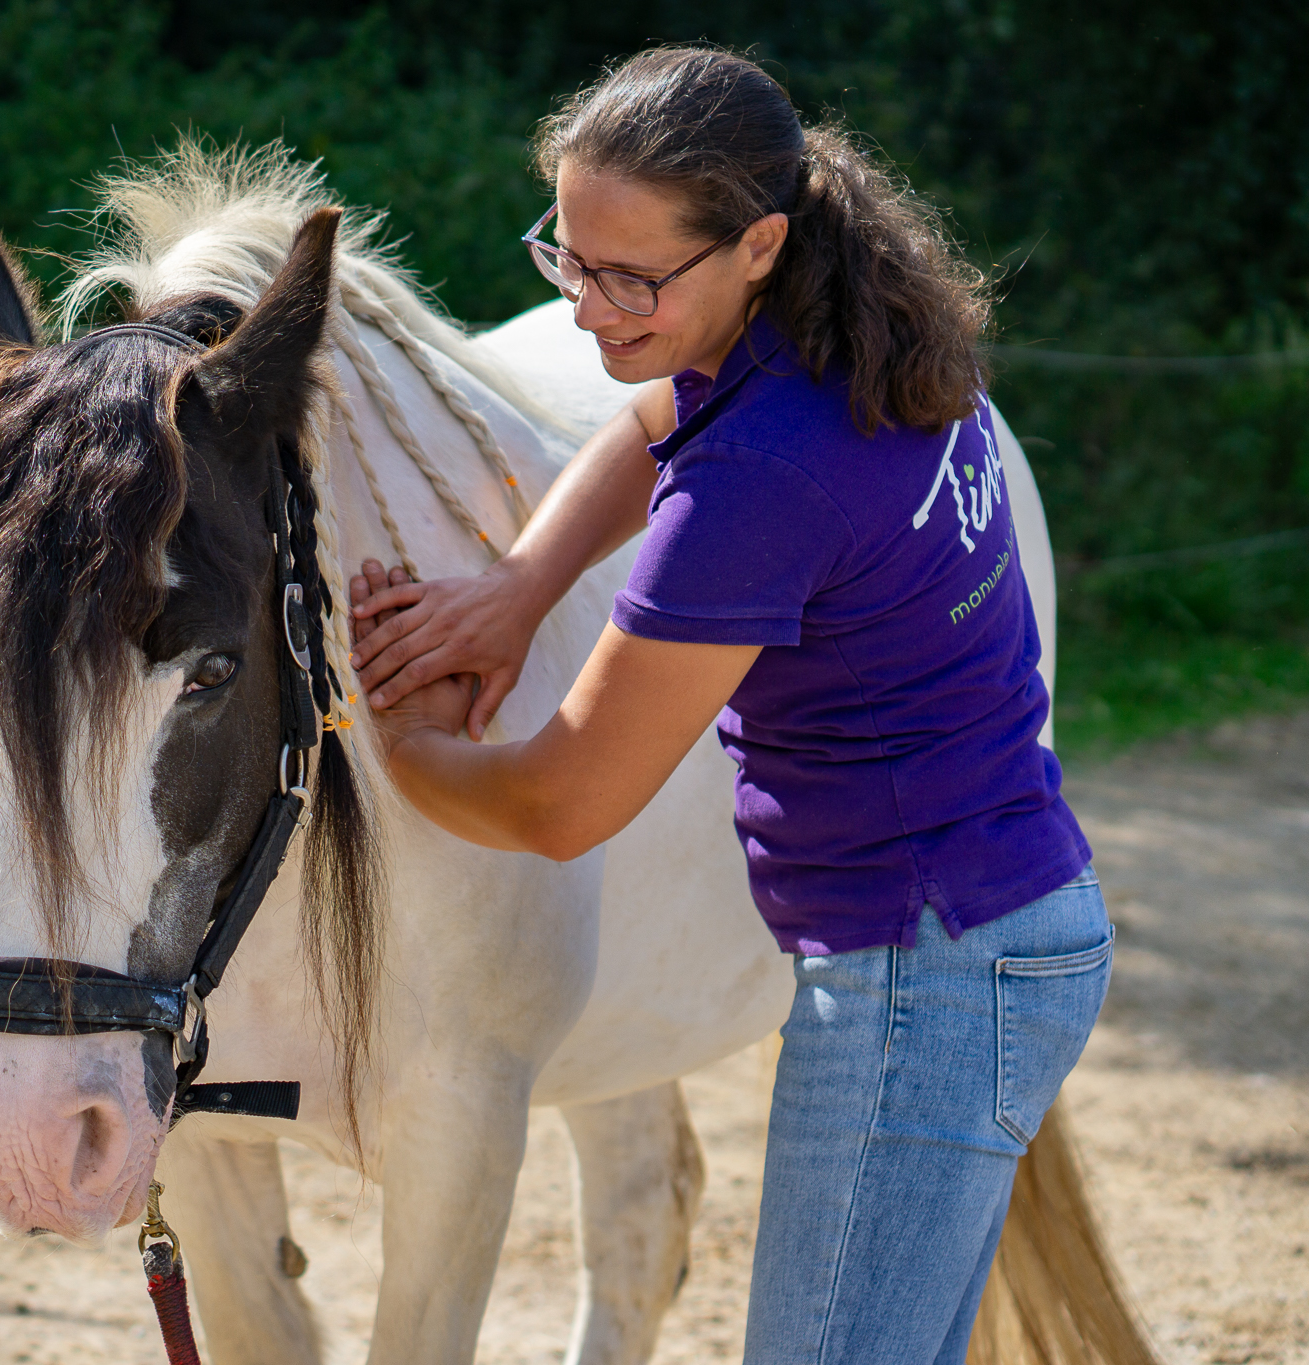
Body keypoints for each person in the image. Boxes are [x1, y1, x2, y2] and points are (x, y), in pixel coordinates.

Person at [347, 47, 1109, 1365]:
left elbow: (561, 798)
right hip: (1010, 923)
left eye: (633, 277)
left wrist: (395, 739)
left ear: (759, 241)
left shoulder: (761, 481)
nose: (590, 309)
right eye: (568, 257)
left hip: (917, 978)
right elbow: (658, 416)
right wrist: (525, 586)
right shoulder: (857, 341)